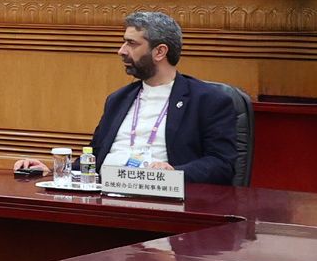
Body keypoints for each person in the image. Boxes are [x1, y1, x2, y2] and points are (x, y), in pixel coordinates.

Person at [86, 11, 240, 183]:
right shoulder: (118, 99)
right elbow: (92, 156)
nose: (121, 51)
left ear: (160, 52)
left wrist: (174, 172)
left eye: (131, 43)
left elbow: (221, 164)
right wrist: (56, 171)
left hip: (162, 198)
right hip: (103, 195)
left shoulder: (208, 101)